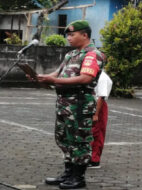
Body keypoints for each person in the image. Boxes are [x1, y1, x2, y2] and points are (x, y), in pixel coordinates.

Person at [34, 20, 104, 189]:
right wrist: (42, 78)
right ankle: (68, 173)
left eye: (72, 34)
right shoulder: (70, 55)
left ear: (85, 35)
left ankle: (78, 177)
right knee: (64, 138)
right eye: (68, 35)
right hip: (64, 103)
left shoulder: (92, 54)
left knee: (79, 140)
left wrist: (54, 80)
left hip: (79, 104)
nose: (68, 38)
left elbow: (86, 78)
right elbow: (57, 74)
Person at [89, 70, 112, 168]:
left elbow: (101, 97)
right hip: (92, 105)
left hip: (98, 106)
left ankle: (94, 160)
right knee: (90, 132)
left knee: (97, 133)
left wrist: (96, 114)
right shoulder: (93, 75)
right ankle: (88, 157)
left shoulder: (102, 77)